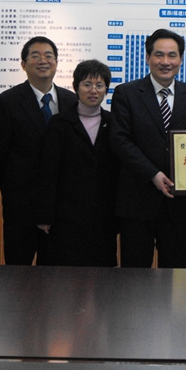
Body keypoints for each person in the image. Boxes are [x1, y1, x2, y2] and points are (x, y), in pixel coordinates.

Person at [110, 29, 186, 268]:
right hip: (137, 202)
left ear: (181, 59)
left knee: (175, 276)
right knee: (134, 276)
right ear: (147, 58)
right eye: (159, 55)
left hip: (178, 204)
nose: (166, 62)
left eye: (172, 55)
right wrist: (153, 174)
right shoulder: (127, 93)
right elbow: (120, 141)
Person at [0, 37, 77, 265]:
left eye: (48, 56)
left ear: (56, 62)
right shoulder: (6, 102)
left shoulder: (72, 101)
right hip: (21, 210)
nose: (42, 61)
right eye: (35, 56)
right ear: (23, 64)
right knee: (17, 275)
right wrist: (18, 197)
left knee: (56, 275)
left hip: (61, 210)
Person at [35, 60, 118, 267]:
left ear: (106, 89)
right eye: (87, 84)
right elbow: (48, 172)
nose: (93, 90)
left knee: (102, 274)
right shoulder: (60, 123)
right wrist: (45, 214)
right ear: (76, 87)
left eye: (99, 85)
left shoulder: (114, 124)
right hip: (66, 216)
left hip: (103, 215)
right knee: (64, 275)